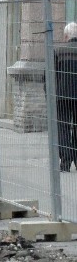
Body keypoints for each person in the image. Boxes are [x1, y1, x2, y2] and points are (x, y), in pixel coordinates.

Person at [56, 22, 77, 172]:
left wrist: (49, 95)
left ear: (65, 36)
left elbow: (49, 76)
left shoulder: (58, 51)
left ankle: (65, 160)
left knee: (62, 127)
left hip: (61, 95)